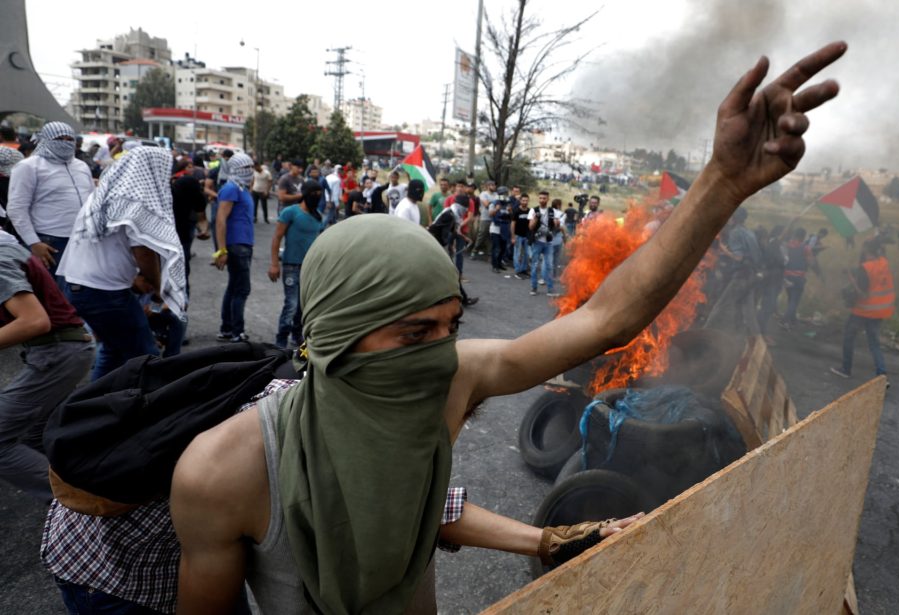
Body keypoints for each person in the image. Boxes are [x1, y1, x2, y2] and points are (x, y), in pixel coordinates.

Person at [168, 41, 846, 614]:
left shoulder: (451, 380)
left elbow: (606, 319)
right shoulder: (221, 473)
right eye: (412, 334)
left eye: (450, 325)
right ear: (338, 338)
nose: (441, 353)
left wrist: (721, 184)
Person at [58, 147, 187, 381]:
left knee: (113, 351)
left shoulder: (103, 196)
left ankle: (90, 405)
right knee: (146, 356)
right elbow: (144, 254)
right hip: (105, 293)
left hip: (79, 285)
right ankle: (157, 410)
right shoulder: (135, 202)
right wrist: (158, 289)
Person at [0, 229, 93, 500]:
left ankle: (85, 505)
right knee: (33, 436)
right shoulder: (7, 247)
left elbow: (34, 321)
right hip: (63, 351)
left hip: (59, 353)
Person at [6, 122, 94, 283]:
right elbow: (16, 209)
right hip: (50, 243)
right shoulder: (28, 166)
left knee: (76, 293)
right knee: (55, 296)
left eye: (70, 139)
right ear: (45, 140)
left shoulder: (81, 166)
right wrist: (34, 243)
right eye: (59, 138)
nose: (65, 143)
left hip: (82, 240)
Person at [270, 179, 322, 349]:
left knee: (303, 306)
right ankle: (281, 340)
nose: (317, 197)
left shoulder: (318, 216)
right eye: (314, 194)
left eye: (319, 194)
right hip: (291, 266)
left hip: (310, 268)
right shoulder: (290, 212)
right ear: (305, 195)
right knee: (291, 304)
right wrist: (274, 264)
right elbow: (277, 237)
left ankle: (296, 335)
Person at [831, 238, 893, 380]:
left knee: (848, 337)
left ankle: (846, 369)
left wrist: (851, 279)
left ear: (866, 250)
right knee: (874, 343)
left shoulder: (866, 268)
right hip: (880, 311)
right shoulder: (884, 262)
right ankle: (881, 375)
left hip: (864, 310)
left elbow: (863, 293)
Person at [213, 153, 256, 343]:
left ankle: (227, 329)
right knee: (242, 289)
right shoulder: (231, 188)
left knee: (233, 287)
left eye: (251, 167)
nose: (250, 171)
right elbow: (220, 220)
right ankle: (237, 332)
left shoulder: (241, 187)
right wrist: (221, 250)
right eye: (246, 168)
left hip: (244, 243)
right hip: (236, 245)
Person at [706, 207, 762, 336]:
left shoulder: (735, 233)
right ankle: (757, 343)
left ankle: (704, 334)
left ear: (735, 218)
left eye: (730, 217)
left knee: (720, 307)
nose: (728, 220)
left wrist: (723, 249)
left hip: (741, 276)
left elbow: (739, 257)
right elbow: (756, 256)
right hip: (751, 275)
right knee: (749, 313)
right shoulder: (750, 233)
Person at [170, 158, 207, 296]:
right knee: (182, 264)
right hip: (183, 228)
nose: (192, 169)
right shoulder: (189, 182)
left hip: (166, 231)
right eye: (189, 166)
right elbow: (200, 205)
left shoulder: (168, 181)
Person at [528, 190, 562, 297]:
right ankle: (534, 288)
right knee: (534, 265)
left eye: (544, 198)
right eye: (540, 198)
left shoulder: (553, 211)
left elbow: (556, 225)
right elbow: (530, 227)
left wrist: (556, 222)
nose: (542, 200)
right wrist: (536, 218)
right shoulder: (533, 210)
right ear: (538, 199)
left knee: (549, 266)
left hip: (548, 242)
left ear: (548, 199)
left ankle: (550, 290)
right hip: (537, 241)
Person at [781, 227, 814, 329]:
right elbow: (810, 262)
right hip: (798, 277)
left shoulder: (787, 245)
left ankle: (793, 319)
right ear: (803, 237)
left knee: (791, 298)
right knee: (794, 300)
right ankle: (785, 320)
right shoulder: (806, 247)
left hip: (786, 276)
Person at [489, 188, 512, 273]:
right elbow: (490, 214)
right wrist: (496, 209)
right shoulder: (494, 203)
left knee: (503, 248)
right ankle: (494, 266)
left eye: (506, 193)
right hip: (495, 228)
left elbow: (510, 216)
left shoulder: (507, 204)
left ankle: (499, 263)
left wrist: (510, 211)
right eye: (504, 194)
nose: (505, 195)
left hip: (505, 228)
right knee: (496, 248)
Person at [512, 193, 532, 278]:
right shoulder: (516, 211)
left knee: (527, 254)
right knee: (517, 253)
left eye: (526, 200)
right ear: (520, 201)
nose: (525, 202)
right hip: (518, 235)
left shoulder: (530, 211)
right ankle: (517, 271)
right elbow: (512, 224)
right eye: (523, 200)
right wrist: (512, 236)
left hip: (527, 236)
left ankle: (524, 269)